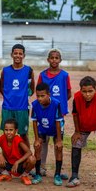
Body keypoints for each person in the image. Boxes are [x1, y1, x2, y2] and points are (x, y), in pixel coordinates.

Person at [37, 48, 71, 178]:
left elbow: (68, 93)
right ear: (48, 60)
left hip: (58, 114)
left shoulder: (64, 75)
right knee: (43, 141)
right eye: (52, 57)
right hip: (44, 112)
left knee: (58, 142)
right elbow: (39, 91)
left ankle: (58, 170)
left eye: (57, 58)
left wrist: (58, 104)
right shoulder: (42, 75)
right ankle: (42, 167)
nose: (54, 60)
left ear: (60, 60)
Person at [0, 44, 35, 148]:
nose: (17, 56)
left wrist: (23, 97)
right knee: (7, 135)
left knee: (23, 134)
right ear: (11, 54)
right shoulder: (5, 71)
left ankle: (27, 158)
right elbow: (2, 87)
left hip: (22, 108)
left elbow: (32, 88)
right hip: (8, 108)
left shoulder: (29, 70)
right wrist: (9, 97)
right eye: (15, 53)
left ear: (24, 55)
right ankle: (8, 158)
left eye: (20, 53)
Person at [31, 83, 64, 186]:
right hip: (43, 128)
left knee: (58, 148)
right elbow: (34, 122)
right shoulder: (35, 104)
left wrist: (59, 140)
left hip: (56, 128)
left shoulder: (56, 104)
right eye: (38, 96)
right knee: (37, 146)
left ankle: (57, 174)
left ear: (48, 95)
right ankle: (38, 173)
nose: (40, 98)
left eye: (42, 96)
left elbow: (58, 122)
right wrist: (37, 139)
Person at [0, 118, 35, 185]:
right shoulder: (2, 138)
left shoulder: (18, 140)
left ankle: (24, 175)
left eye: (11, 130)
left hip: (20, 165)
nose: (8, 132)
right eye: (6, 130)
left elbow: (29, 152)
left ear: (16, 130)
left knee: (32, 159)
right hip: (7, 164)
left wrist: (17, 162)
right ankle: (5, 174)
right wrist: (0, 155)